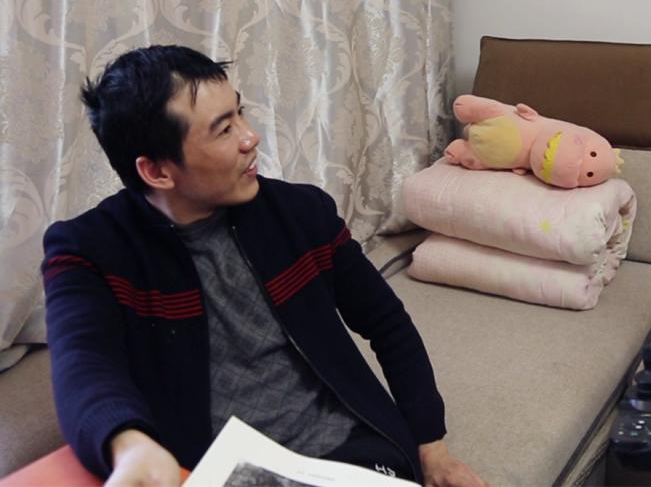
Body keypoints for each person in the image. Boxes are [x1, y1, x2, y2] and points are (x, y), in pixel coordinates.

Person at [42, 45, 486, 487]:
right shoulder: (87, 251)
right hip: (220, 469)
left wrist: (431, 445)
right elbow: (83, 363)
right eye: (224, 130)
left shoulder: (301, 213)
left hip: (351, 455)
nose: (250, 137)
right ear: (157, 172)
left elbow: (388, 323)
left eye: (240, 113)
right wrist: (131, 446)